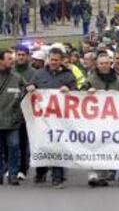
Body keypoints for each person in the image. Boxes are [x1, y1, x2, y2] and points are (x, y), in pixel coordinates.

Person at [27, 47, 77, 189]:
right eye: (51, 59)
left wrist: (69, 90)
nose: (54, 62)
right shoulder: (39, 73)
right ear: (48, 59)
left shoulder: (68, 75)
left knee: (58, 147)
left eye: (56, 60)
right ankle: (41, 172)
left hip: (61, 119)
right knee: (43, 145)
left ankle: (57, 177)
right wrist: (30, 86)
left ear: (61, 60)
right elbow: (31, 86)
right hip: (42, 119)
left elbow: (77, 93)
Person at [82, 54, 119, 187]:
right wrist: (87, 91)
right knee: (94, 145)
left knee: (107, 146)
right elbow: (79, 93)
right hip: (94, 119)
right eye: (101, 63)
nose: (104, 66)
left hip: (112, 119)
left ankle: (103, 175)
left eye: (107, 63)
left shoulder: (117, 80)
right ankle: (93, 173)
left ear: (110, 64)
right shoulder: (91, 79)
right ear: (97, 65)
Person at [0, 49, 25, 186]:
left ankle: (13, 174)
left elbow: (27, 89)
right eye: (9, 58)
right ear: (1, 61)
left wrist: (32, 87)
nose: (13, 60)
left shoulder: (17, 77)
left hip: (12, 121)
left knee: (14, 148)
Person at [12, 45, 36, 180]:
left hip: (27, 112)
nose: (20, 57)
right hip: (11, 112)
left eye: (23, 55)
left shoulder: (34, 73)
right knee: (10, 143)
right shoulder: (11, 70)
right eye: (18, 54)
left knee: (23, 142)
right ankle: (11, 168)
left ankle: (22, 169)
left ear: (28, 56)